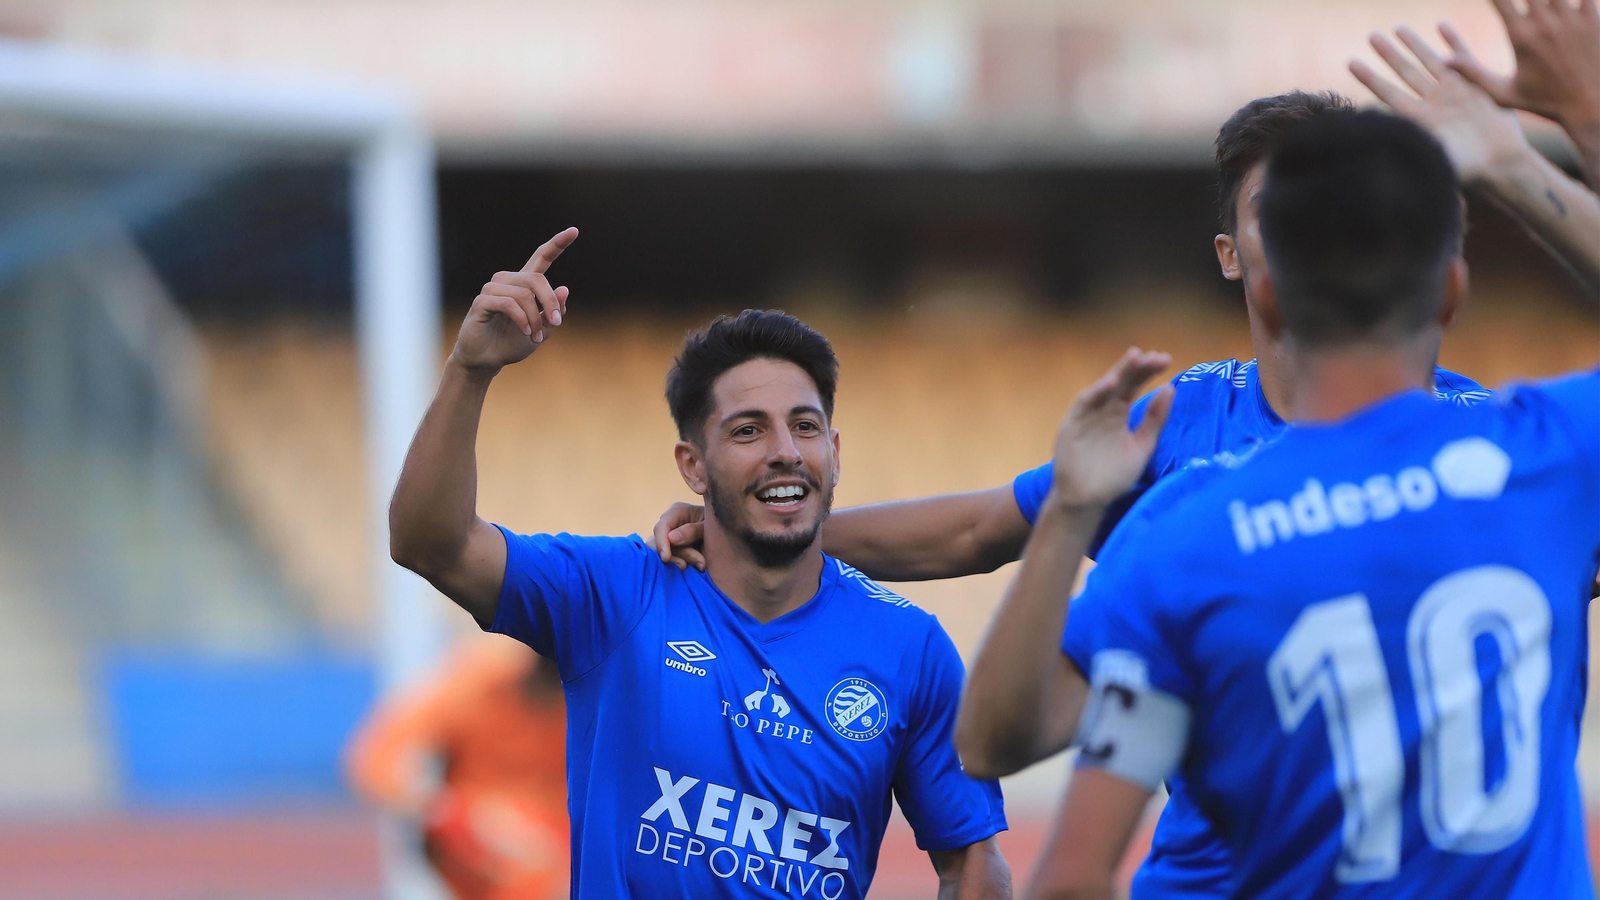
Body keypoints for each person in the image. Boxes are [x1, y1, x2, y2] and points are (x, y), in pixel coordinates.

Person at [1014, 109, 1597, 899]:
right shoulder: (1543, 458)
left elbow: (1033, 802)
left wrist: (1065, 518)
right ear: (1453, 291)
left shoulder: (1186, 530)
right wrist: (1545, 151)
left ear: (1273, 298)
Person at [386, 238, 1012, 899]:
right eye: (747, 431)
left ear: (833, 451)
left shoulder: (911, 649)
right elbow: (433, 544)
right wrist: (470, 370)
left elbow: (972, 862)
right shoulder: (616, 594)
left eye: (804, 427)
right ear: (692, 465)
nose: (783, 452)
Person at [346, 636, 568, 900]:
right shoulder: (479, 680)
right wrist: (454, 815)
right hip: (473, 825)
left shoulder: (606, 691)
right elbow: (377, 760)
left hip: (560, 838)